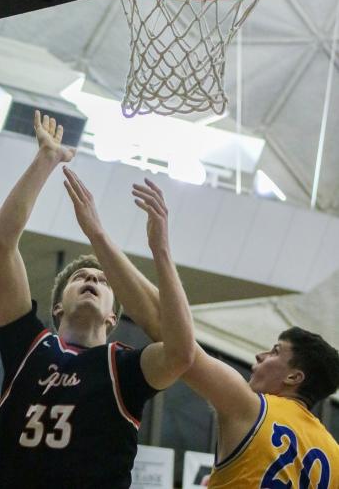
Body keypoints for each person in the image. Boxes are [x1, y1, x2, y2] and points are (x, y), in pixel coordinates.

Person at [62, 169, 339, 488]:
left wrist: (120, 240)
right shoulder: (333, 454)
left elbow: (173, 339)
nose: (261, 356)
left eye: (275, 352)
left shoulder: (252, 407)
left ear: (294, 377)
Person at [0, 110, 195, 489]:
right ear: (57, 307)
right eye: (81, 277)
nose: (91, 281)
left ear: (113, 318)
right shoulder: (28, 348)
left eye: (102, 280)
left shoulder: (124, 367)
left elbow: (182, 353)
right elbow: (1, 242)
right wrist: (45, 160)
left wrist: (160, 251)